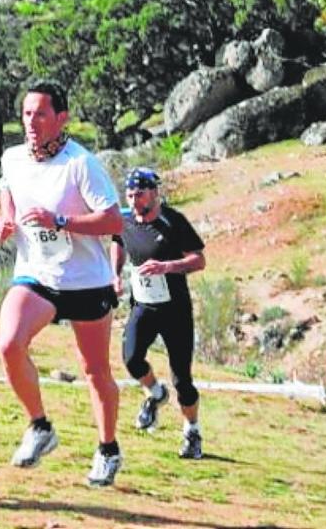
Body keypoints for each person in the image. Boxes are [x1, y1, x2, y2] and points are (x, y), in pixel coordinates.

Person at [0, 81, 124, 487]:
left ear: (61, 118)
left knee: (95, 370)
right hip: (38, 274)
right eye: (27, 113)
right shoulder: (13, 157)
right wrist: (4, 220)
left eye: (41, 114)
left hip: (86, 281)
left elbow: (115, 221)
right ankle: (40, 426)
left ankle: (107, 450)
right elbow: (7, 191)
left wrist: (60, 221)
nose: (32, 121)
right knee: (9, 344)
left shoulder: (81, 164)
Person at [109, 167, 207, 459]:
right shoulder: (125, 218)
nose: (134, 200)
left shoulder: (173, 221)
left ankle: (192, 431)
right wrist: (115, 275)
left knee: (183, 380)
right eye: (129, 195)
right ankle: (155, 394)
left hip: (175, 309)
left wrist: (167, 266)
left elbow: (199, 260)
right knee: (131, 358)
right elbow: (117, 240)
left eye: (139, 194)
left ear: (154, 193)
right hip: (143, 305)